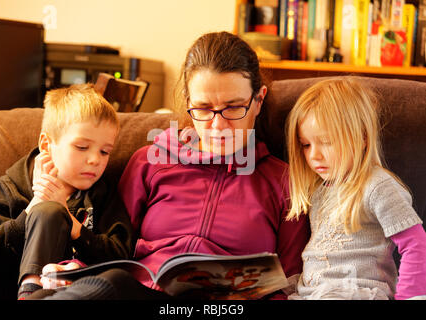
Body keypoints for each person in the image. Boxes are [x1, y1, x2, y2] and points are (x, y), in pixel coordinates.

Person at [32, 31, 310, 300]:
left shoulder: (283, 181)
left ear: (258, 100)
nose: (218, 126)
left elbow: (289, 282)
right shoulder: (149, 162)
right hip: (144, 293)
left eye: (234, 107)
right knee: (112, 283)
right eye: (203, 108)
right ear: (188, 103)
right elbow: (113, 249)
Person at [0, 83, 134, 299]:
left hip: (75, 293)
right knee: (47, 211)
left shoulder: (103, 195)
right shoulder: (8, 189)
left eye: (105, 151)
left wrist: (71, 222)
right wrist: (34, 207)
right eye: (81, 147)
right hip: (8, 289)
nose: (95, 159)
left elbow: (121, 256)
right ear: (46, 143)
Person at [284, 77, 426, 300]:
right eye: (306, 144)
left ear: (362, 137)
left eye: (327, 141)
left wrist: (408, 297)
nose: (314, 155)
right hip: (310, 294)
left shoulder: (377, 186)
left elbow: (415, 244)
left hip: (357, 292)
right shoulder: (320, 190)